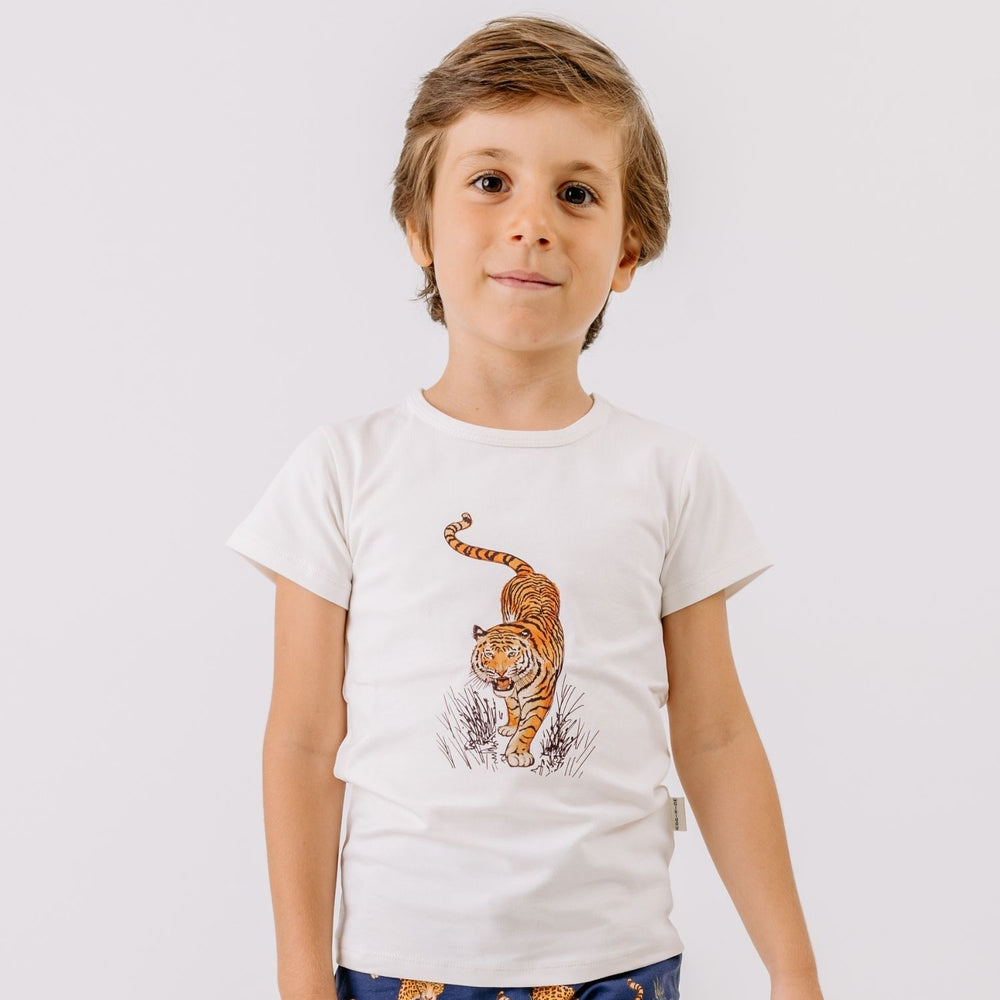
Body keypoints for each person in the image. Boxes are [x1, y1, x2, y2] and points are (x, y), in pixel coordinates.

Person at [225, 14, 824, 1000]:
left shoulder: (667, 473)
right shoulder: (341, 468)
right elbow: (300, 739)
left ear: (628, 250)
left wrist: (792, 967)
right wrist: (299, 973)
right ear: (419, 227)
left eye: (576, 193)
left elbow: (715, 734)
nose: (532, 223)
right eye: (490, 182)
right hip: (400, 966)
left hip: (613, 967)